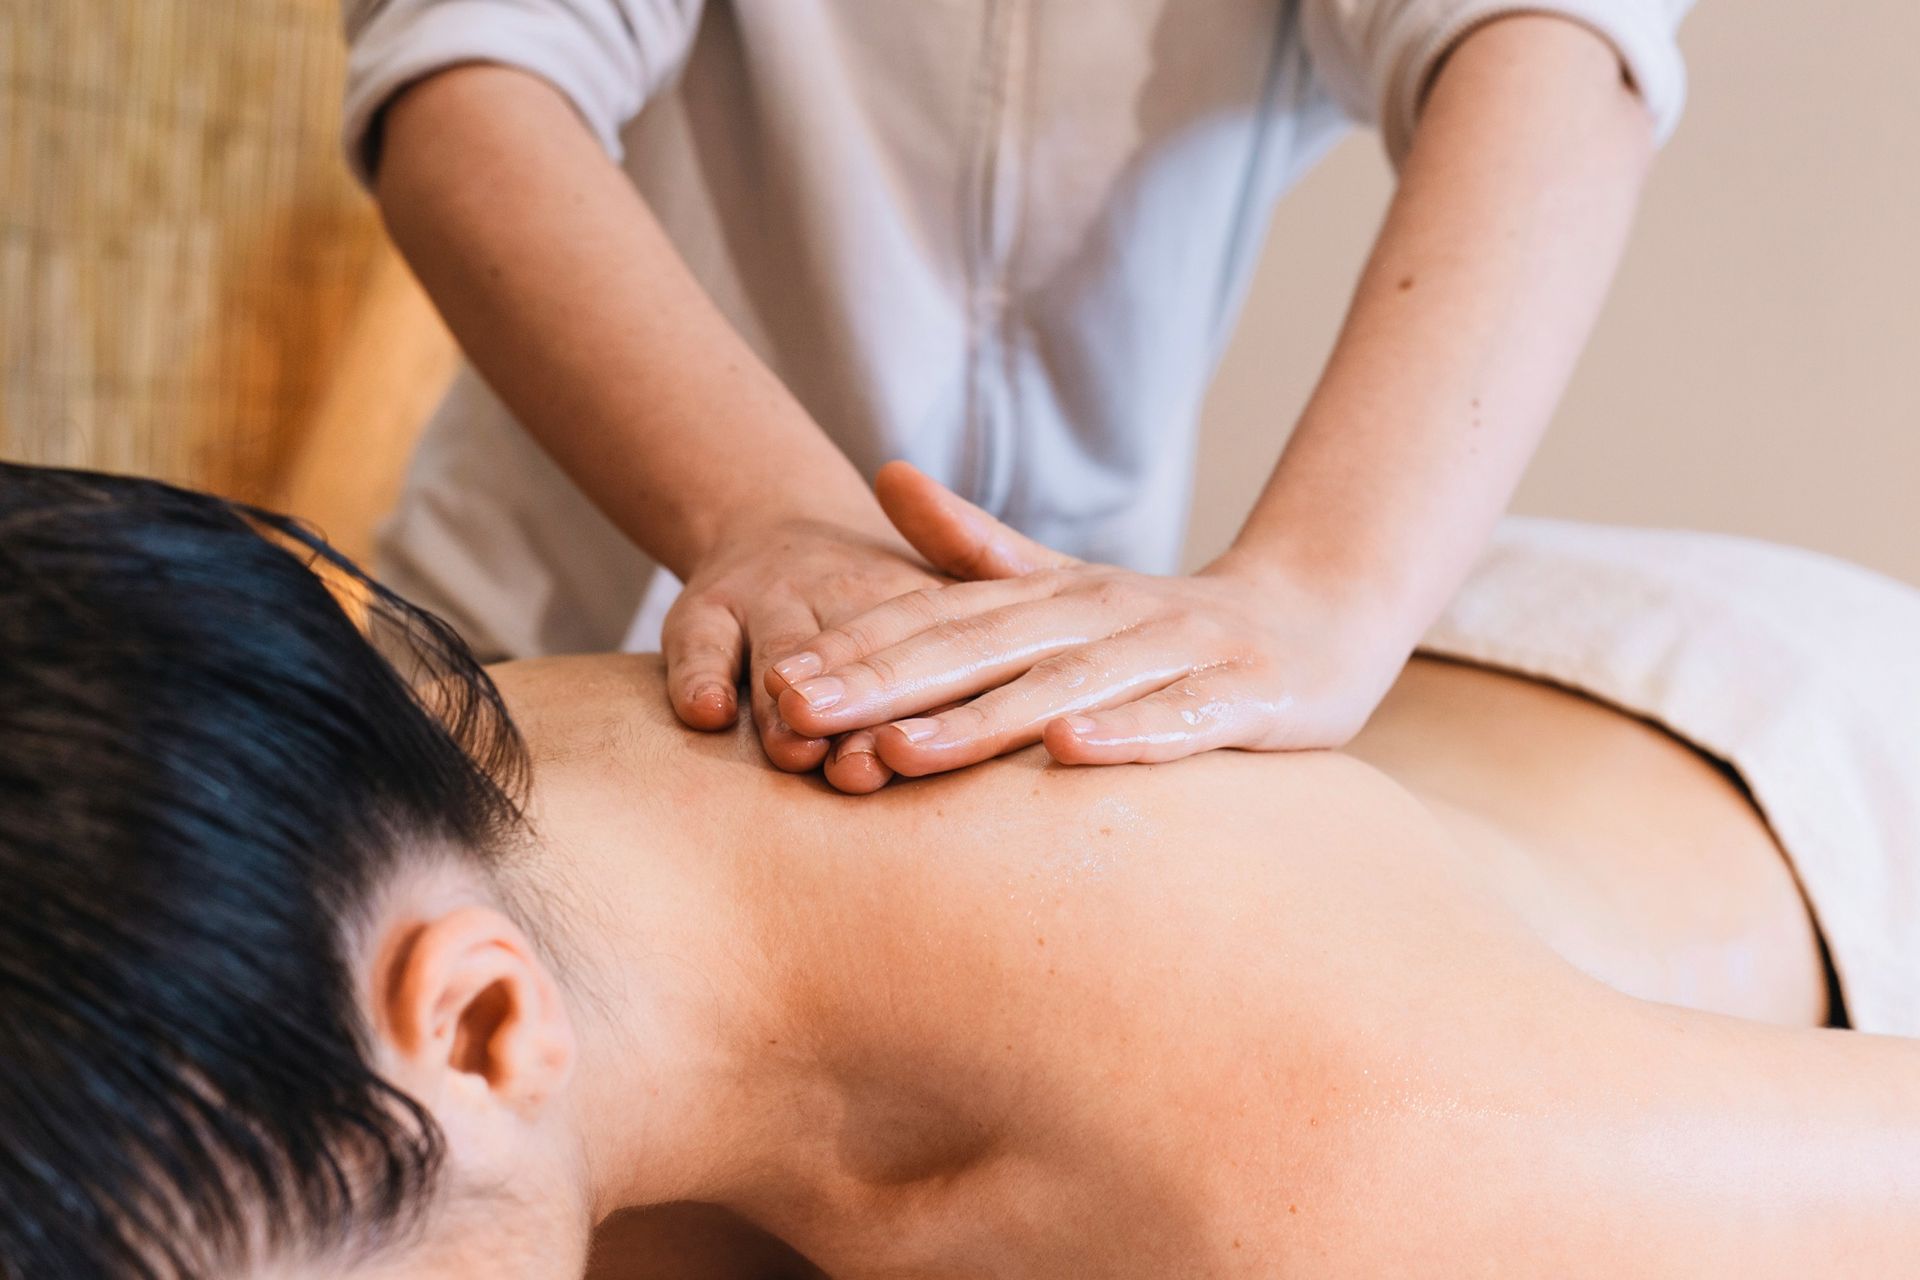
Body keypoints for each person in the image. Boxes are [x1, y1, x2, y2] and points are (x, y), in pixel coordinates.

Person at [5, 461, 1919, 1278]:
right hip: (1398, 762)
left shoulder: (1335, 1174)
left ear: (485, 1022)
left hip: (1816, 848)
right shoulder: (378, 810)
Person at [344, 0, 1694, 791]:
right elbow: (477, 69)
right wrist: (765, 519)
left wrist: (1323, 592)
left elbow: (1554, 46)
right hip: (558, 632)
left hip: (1054, 697)